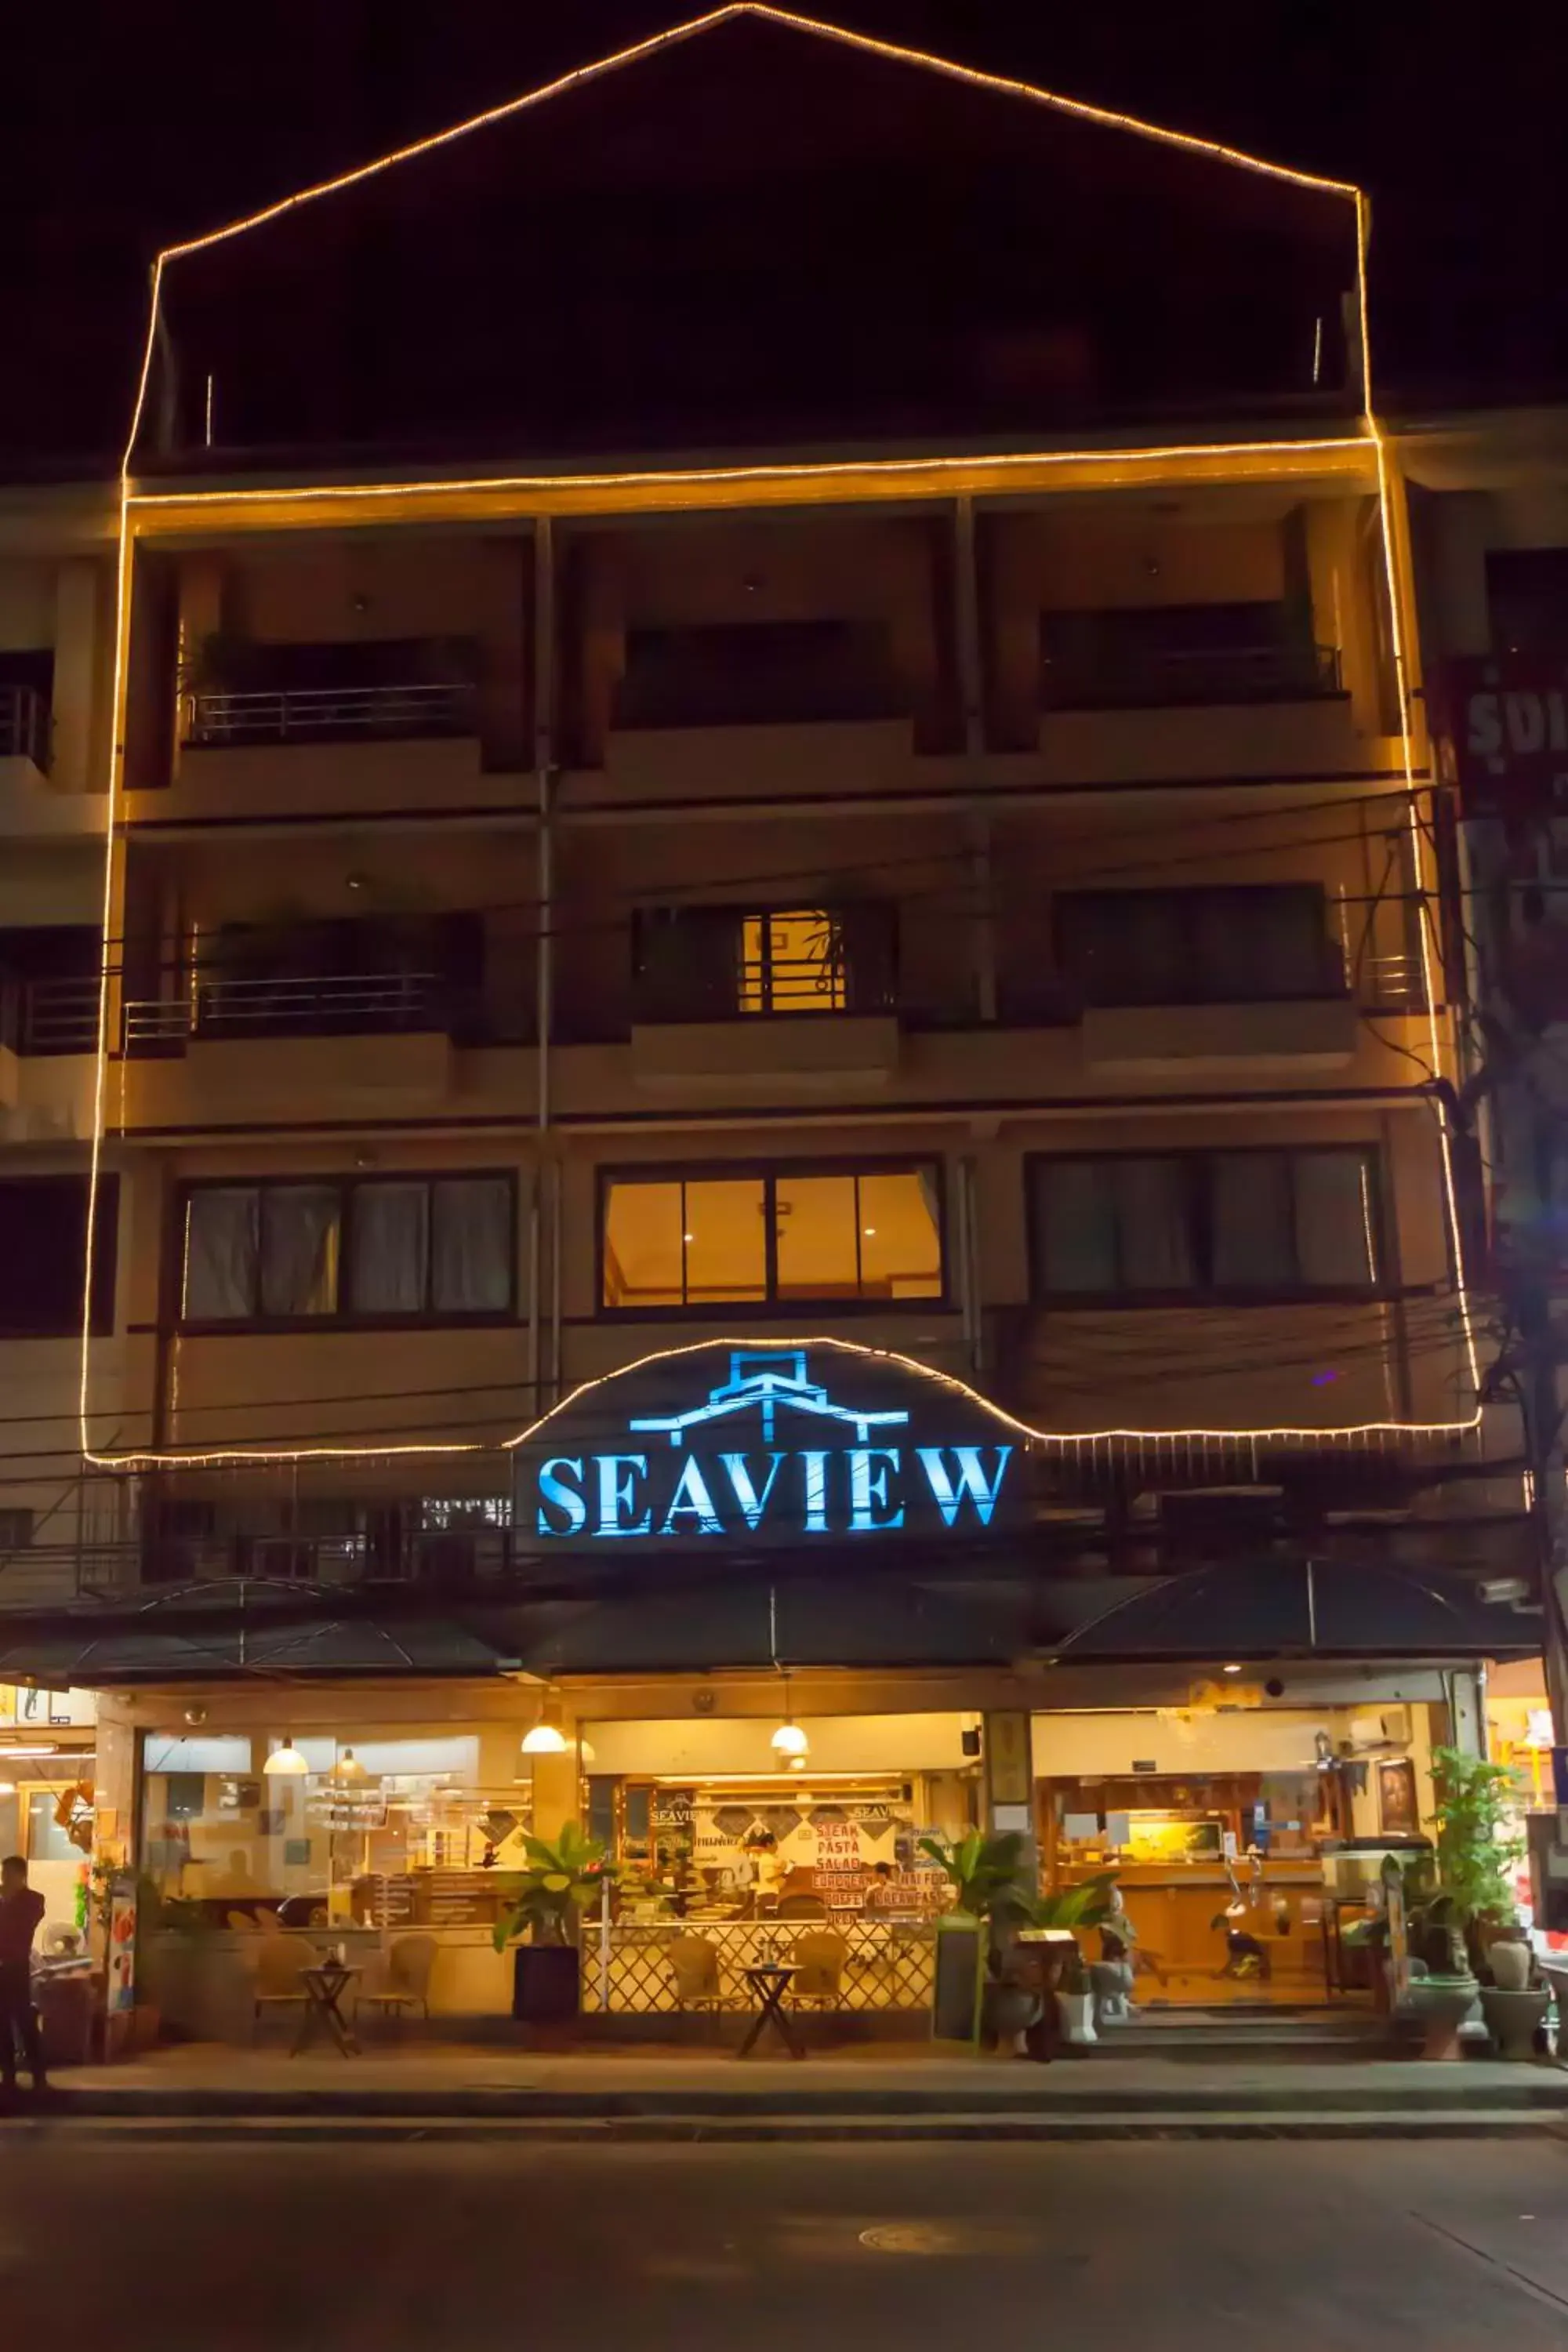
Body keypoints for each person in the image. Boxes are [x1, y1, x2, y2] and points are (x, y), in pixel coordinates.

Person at [0, 1854, 47, 2098]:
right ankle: (8, 2075)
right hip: (1, 1968)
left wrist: (8, 1899)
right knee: (2, 2024)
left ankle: (39, 2075)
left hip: (17, 1968)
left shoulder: (32, 1900)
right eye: (2, 1873)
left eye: (8, 1874)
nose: (3, 1879)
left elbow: (20, 1928)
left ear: (21, 1875)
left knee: (24, 2020)